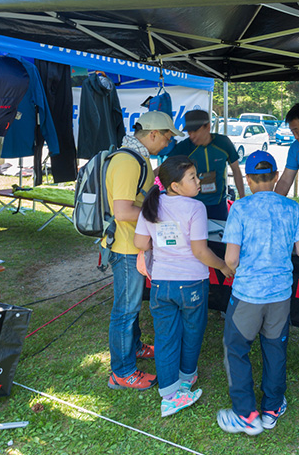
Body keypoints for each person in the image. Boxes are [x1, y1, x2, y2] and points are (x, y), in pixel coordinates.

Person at [216, 150, 299, 435]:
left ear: (248, 179)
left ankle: (245, 414)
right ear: (275, 176)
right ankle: (271, 408)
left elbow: (231, 259)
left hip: (247, 293)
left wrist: (231, 267)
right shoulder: (292, 208)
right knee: (275, 349)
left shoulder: (240, 208)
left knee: (236, 350)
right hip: (280, 294)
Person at [134, 155, 234, 417]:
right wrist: (222, 266)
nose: (199, 180)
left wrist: (162, 242)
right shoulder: (195, 207)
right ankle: (186, 379)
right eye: (192, 177)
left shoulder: (151, 204)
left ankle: (169, 395)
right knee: (192, 332)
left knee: (165, 337)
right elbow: (200, 251)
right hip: (191, 283)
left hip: (161, 284)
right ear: (175, 186)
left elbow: (140, 243)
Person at [105, 110, 181, 391]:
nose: (168, 143)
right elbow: (123, 211)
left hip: (133, 243)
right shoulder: (127, 161)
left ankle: (135, 346)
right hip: (125, 246)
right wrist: (161, 216)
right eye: (167, 137)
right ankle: (122, 372)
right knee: (125, 310)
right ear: (154, 134)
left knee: (133, 305)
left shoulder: (140, 158)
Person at [169, 109, 246, 220]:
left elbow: (236, 170)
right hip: (192, 205)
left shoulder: (223, 143)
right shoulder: (184, 147)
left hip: (218, 205)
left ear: (208, 127)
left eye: (195, 131)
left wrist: (242, 199)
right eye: (189, 132)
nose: (191, 136)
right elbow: (165, 168)